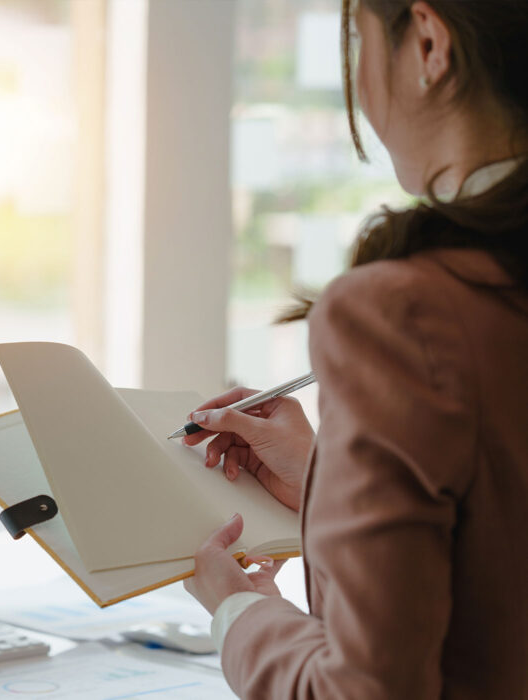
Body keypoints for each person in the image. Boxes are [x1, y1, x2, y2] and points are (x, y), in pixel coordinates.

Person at [180, 0, 528, 697]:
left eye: (356, 37)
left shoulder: (404, 312)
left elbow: (366, 691)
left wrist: (240, 613)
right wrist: (326, 486)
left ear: (428, 43)